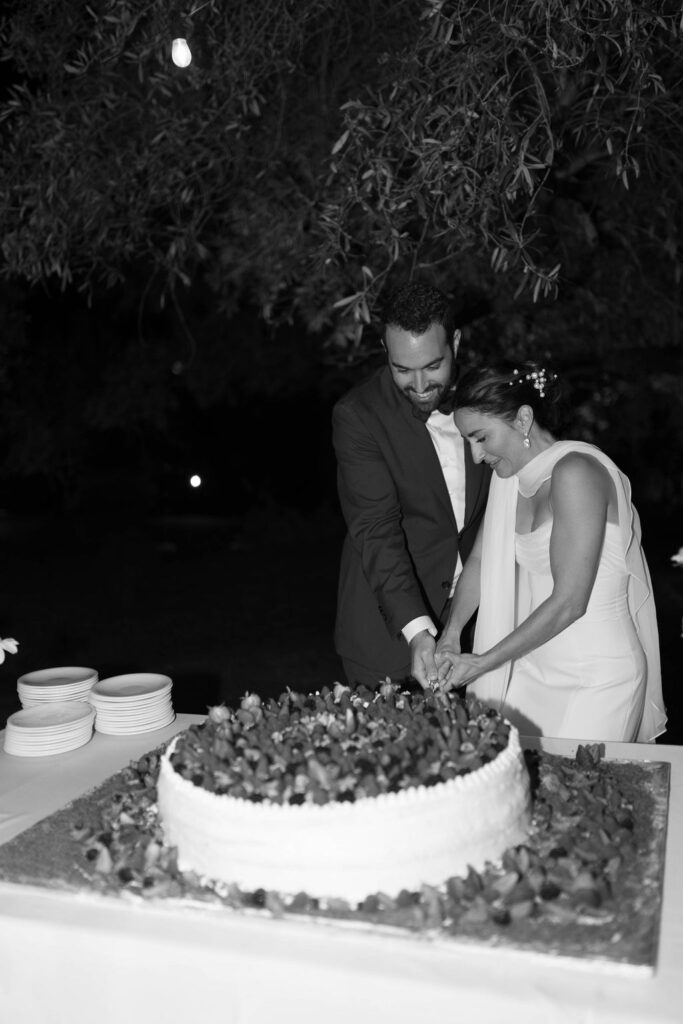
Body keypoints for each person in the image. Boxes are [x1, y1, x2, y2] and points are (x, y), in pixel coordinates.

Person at [432, 360, 667, 742]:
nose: (476, 456)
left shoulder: (576, 472)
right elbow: (480, 561)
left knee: (578, 795)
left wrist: (483, 663)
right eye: (468, 443)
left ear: (523, 419)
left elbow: (570, 602)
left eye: (481, 438)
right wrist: (451, 634)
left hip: (597, 678)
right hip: (533, 669)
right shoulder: (511, 479)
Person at [332, 281, 490, 689]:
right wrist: (419, 632)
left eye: (433, 366)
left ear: (455, 342)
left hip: (478, 631)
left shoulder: (487, 399)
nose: (419, 386)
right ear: (385, 350)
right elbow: (376, 530)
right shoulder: (358, 416)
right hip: (386, 640)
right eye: (403, 369)